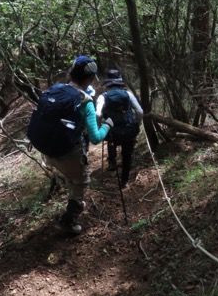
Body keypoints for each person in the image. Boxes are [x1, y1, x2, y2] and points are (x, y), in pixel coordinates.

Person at [37, 56, 112, 234]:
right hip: (68, 152)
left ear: (71, 73)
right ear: (91, 78)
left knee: (71, 177)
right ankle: (68, 221)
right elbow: (95, 138)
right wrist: (108, 125)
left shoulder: (58, 90)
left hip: (48, 151)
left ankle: (73, 200)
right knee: (81, 181)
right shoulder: (86, 103)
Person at [95, 68, 144, 189]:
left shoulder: (103, 96)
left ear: (107, 83)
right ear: (120, 81)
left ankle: (112, 162)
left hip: (111, 132)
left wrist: (100, 127)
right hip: (128, 130)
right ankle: (124, 180)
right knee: (127, 155)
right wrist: (138, 123)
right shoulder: (128, 94)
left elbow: (98, 114)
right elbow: (140, 111)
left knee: (111, 142)